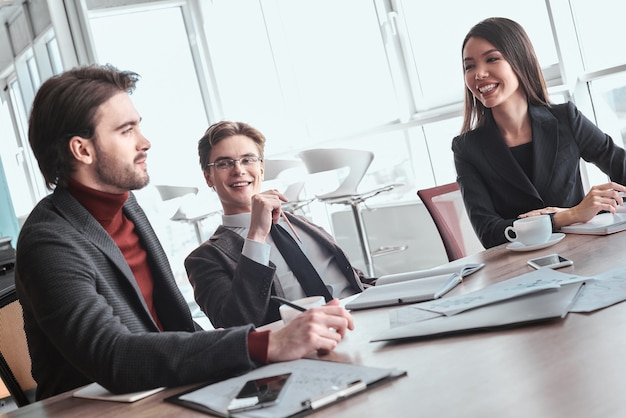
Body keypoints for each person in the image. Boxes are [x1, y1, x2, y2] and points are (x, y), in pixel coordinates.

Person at [15, 64, 354, 401]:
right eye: (126, 130)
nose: (145, 142)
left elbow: (173, 326)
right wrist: (267, 343)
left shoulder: (128, 208)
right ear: (83, 150)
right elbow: (112, 355)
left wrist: (248, 359)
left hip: (171, 390)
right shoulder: (49, 240)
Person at [452, 17, 626, 248]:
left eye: (492, 59)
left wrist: (606, 204)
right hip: (517, 266)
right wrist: (569, 215)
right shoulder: (466, 148)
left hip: (583, 250)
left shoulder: (565, 119)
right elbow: (488, 233)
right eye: (469, 66)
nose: (479, 74)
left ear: (519, 60)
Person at [184, 121, 372, 328]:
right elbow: (236, 326)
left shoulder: (302, 224)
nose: (238, 170)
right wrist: (255, 235)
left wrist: (406, 285)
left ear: (261, 169)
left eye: (247, 160)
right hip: (306, 347)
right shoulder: (204, 259)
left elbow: (356, 281)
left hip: (364, 320)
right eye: (224, 163)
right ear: (208, 178)